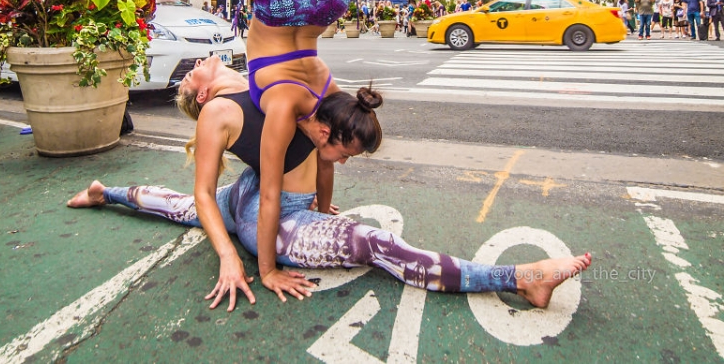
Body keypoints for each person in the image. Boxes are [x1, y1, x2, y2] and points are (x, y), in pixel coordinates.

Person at [84, 0, 619, 298]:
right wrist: (269, 265)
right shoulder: (308, 94)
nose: (201, 64)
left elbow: (281, 182)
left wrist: (280, 249)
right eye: (195, 75)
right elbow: (275, 190)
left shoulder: (294, 100)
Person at [68, 57, 591, 311]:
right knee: (375, 243)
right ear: (201, 95)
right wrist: (241, 261)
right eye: (190, 77)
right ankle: (518, 277)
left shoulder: (272, 82)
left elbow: (324, 155)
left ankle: (103, 192)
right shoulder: (218, 112)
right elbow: (209, 194)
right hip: (266, 212)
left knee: (177, 207)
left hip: (258, 194)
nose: (196, 65)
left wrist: (323, 204)